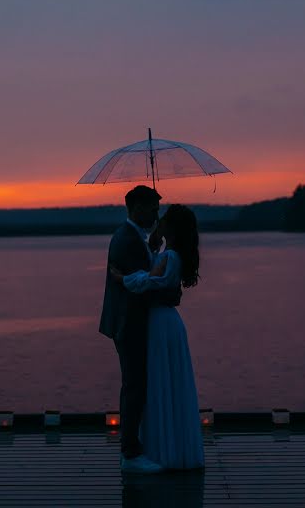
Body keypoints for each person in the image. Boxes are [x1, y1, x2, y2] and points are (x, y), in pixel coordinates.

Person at [110, 204, 205, 470]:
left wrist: (121, 278)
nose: (157, 222)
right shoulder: (167, 253)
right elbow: (156, 275)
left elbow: (151, 281)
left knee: (160, 380)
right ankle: (161, 446)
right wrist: (153, 248)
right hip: (162, 321)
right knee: (160, 382)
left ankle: (160, 450)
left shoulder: (172, 256)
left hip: (161, 322)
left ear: (170, 227)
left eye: (162, 220)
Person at [100, 185, 182, 474]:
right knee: (134, 385)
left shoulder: (135, 238)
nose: (156, 214)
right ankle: (131, 453)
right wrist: (169, 295)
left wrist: (152, 247)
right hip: (129, 322)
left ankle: (135, 446)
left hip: (131, 321)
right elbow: (143, 285)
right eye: (152, 209)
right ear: (136, 208)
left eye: (158, 209)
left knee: (137, 384)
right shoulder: (126, 239)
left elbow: (142, 275)